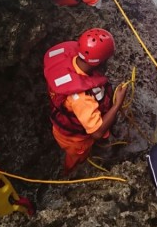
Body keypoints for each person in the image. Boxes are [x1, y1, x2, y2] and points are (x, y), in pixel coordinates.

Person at [44, 28, 128, 173]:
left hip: (62, 129)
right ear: (99, 62)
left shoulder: (73, 60)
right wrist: (117, 104)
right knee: (76, 158)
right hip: (75, 141)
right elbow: (97, 133)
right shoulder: (81, 98)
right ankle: (68, 172)